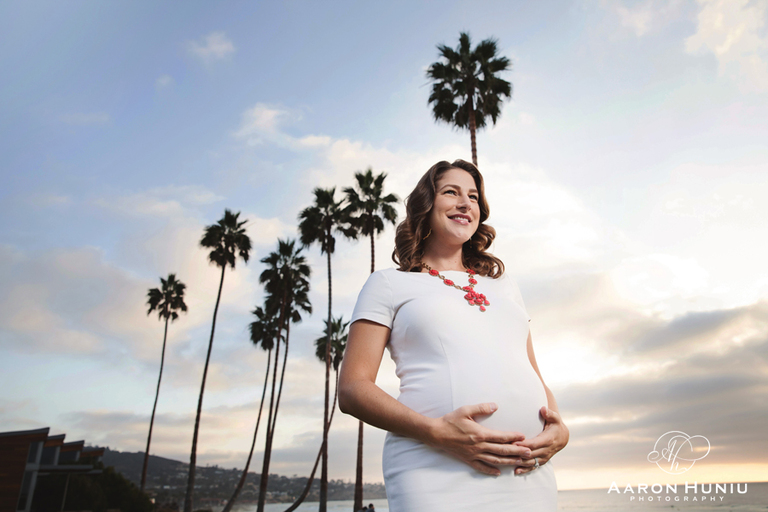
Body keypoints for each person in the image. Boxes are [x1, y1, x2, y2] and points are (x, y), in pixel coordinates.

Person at [338, 159, 569, 511]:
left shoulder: (505, 286)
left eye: (473, 196)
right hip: (433, 467)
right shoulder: (388, 283)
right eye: (451, 192)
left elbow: (531, 371)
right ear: (426, 204)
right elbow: (353, 389)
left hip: (528, 471)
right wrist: (437, 433)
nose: (465, 203)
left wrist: (559, 428)